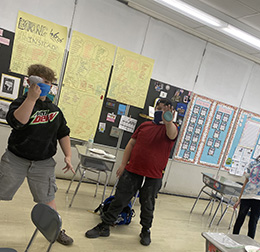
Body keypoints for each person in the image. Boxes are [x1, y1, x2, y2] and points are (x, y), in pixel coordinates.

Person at [85, 98, 178, 246]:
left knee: (147, 204)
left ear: (171, 112)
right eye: (159, 108)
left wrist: (168, 121)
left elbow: (172, 134)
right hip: (132, 169)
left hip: (153, 175)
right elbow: (131, 143)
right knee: (120, 199)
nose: (161, 111)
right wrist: (123, 164)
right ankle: (105, 226)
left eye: (165, 109)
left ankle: (146, 230)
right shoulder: (145, 125)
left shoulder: (171, 128)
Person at [0, 64, 75, 245]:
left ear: (51, 85)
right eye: (38, 80)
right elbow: (19, 122)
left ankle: (56, 230)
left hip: (43, 163)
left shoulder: (55, 110)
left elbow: (63, 133)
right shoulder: (20, 103)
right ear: (29, 81)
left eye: (47, 82)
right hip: (15, 159)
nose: (42, 84)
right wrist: (31, 99)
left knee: (47, 198)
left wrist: (68, 155)